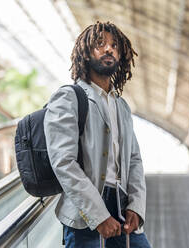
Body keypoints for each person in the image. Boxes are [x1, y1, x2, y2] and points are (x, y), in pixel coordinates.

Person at [44, 21, 151, 248]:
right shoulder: (69, 97)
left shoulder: (121, 106)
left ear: (121, 55)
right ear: (85, 53)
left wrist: (136, 206)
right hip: (84, 215)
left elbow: (134, 159)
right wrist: (99, 215)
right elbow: (63, 161)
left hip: (123, 209)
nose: (108, 49)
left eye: (114, 46)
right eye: (100, 44)